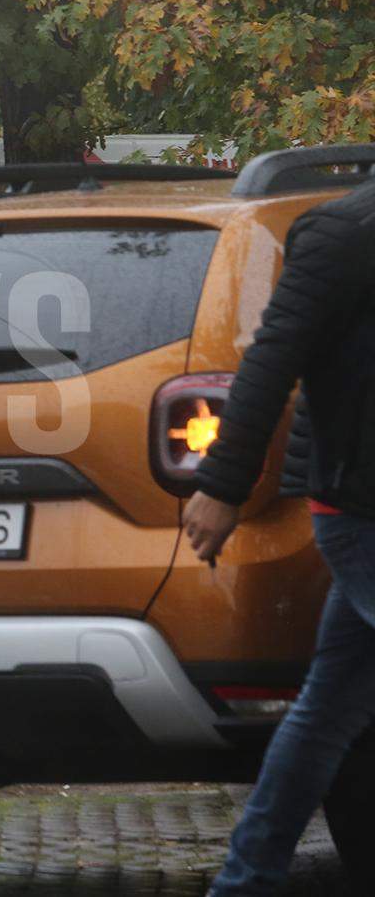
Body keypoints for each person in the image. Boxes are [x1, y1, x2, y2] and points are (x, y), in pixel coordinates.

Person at [181, 188, 375, 895]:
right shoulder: (344, 234)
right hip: (361, 513)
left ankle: (243, 881)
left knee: (326, 712)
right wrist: (224, 485)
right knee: (327, 712)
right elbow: (272, 357)